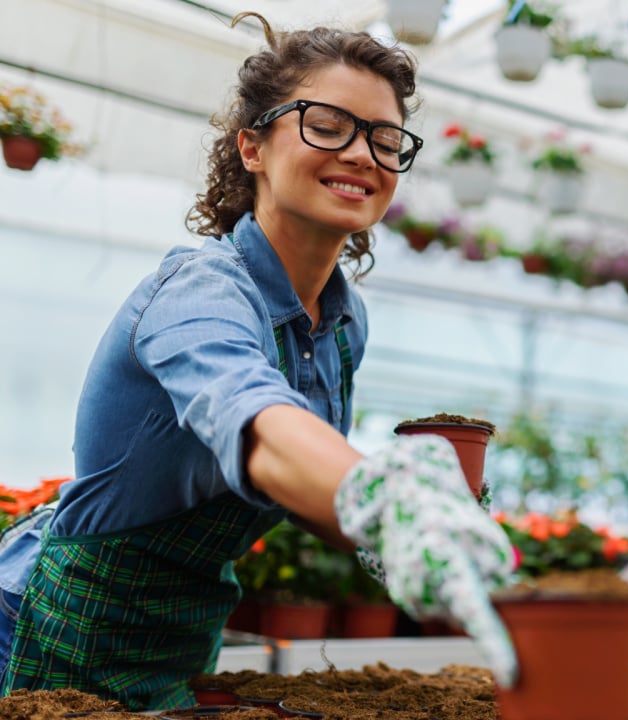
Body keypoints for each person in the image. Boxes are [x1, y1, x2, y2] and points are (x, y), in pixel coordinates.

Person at [0, 14, 517, 709]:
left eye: (385, 138)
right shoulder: (200, 292)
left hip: (182, 633)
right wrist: (380, 500)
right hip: (46, 627)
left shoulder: (341, 324)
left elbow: (295, 473)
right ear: (251, 147)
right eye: (327, 125)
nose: (362, 154)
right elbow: (255, 422)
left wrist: (392, 531)